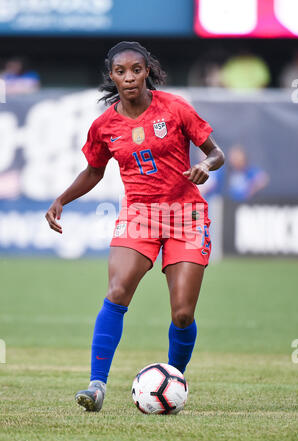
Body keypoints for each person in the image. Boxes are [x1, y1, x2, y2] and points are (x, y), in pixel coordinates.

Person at [45, 41, 225, 412]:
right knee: (117, 290)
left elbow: (215, 152)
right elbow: (94, 170)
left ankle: (174, 378)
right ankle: (96, 386)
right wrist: (62, 198)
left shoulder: (174, 109)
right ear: (111, 76)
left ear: (147, 72)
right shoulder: (105, 125)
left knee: (182, 313)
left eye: (136, 70)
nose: (129, 78)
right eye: (121, 71)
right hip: (139, 215)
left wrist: (206, 166)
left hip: (185, 214)